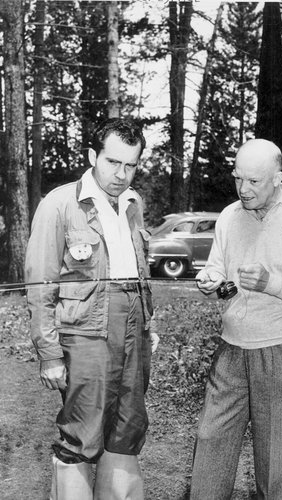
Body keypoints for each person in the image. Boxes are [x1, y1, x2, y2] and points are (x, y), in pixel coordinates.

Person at [190, 138, 282, 500]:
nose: (243, 189)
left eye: (254, 181)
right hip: (232, 348)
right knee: (209, 445)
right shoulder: (229, 216)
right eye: (238, 178)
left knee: (276, 468)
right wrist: (210, 280)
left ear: (278, 177)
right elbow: (219, 272)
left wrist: (272, 283)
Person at [25, 117, 159, 500]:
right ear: (92, 156)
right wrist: (49, 354)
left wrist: (148, 324)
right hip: (85, 332)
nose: (121, 174)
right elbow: (40, 286)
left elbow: (139, 271)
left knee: (128, 428)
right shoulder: (60, 204)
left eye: (130, 165)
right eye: (113, 162)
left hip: (133, 328)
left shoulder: (134, 204)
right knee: (82, 432)